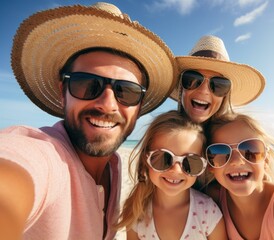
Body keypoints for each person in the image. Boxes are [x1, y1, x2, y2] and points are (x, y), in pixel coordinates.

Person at [0, 2, 177, 240]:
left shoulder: (114, 165)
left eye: (127, 92)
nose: (108, 104)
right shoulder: (42, 155)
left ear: (140, 105)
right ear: (63, 89)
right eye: (86, 84)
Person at [203, 113, 274, 239]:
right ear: (211, 166)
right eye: (220, 151)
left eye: (250, 150)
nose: (237, 161)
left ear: (266, 160)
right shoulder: (212, 200)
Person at [116, 110, 227, 240]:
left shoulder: (208, 212)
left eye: (190, 162)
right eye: (164, 158)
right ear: (146, 159)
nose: (176, 170)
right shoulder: (136, 212)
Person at [170, 35, 266, 124]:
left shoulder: (236, 138)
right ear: (181, 87)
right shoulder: (159, 135)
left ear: (224, 97)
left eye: (218, 85)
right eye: (192, 79)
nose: (204, 91)